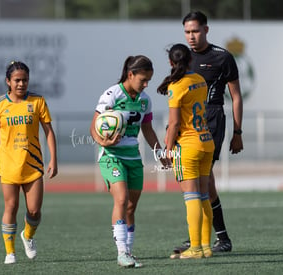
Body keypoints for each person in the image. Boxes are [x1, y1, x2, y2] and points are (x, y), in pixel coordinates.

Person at [172, 11, 244, 254]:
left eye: (195, 31)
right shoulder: (183, 57)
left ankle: (219, 237)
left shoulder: (222, 58)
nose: (191, 36)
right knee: (200, 182)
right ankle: (200, 238)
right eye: (187, 32)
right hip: (187, 124)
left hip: (211, 120)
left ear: (206, 30)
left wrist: (238, 131)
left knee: (206, 180)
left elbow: (235, 96)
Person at [90, 55, 170, 267]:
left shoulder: (145, 100)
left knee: (131, 207)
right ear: (130, 74)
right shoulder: (112, 95)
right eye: (142, 80)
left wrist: (159, 153)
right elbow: (94, 126)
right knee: (122, 199)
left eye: (148, 81)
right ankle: (122, 253)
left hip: (133, 157)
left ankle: (129, 252)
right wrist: (102, 142)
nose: (145, 85)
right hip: (111, 156)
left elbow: (147, 129)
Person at [0, 61, 58, 264]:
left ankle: (28, 236)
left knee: (34, 210)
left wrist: (54, 159)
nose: (21, 84)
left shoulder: (38, 101)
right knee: (11, 206)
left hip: (33, 165)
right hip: (8, 166)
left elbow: (48, 131)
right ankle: (10, 252)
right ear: (8, 81)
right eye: (17, 80)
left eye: (25, 80)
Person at [158, 43, 215, 259]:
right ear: (190, 60)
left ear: (171, 62)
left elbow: (173, 124)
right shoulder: (199, 80)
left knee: (191, 197)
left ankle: (195, 248)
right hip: (206, 142)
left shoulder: (177, 86)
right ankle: (206, 246)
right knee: (203, 196)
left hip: (188, 146)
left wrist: (168, 150)